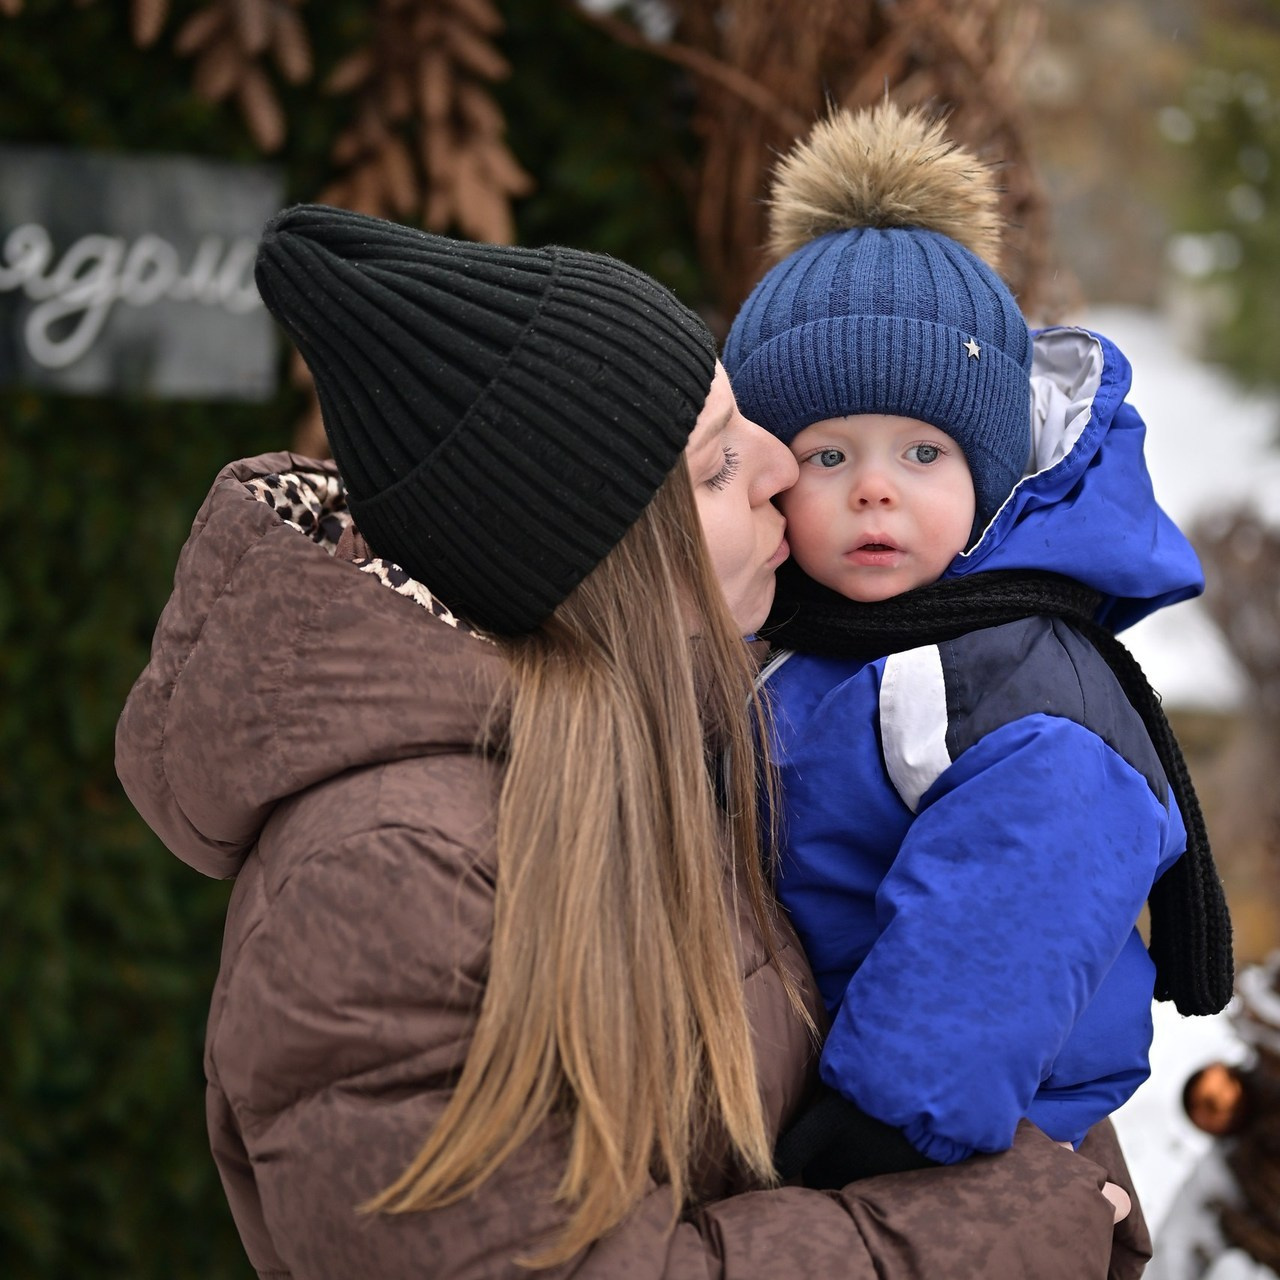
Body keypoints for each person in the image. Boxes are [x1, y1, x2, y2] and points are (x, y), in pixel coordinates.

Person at [115, 203, 1147, 1278]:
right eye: (712, 468)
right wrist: (1004, 1225)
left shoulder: (669, 737)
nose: (782, 470)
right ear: (602, 562)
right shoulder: (396, 878)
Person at [722, 102, 1235, 1185]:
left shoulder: (994, 669)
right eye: (826, 455)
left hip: (967, 1110)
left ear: (987, 475)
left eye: (920, 450)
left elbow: (1018, 883)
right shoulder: (813, 634)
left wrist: (887, 1114)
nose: (872, 486)